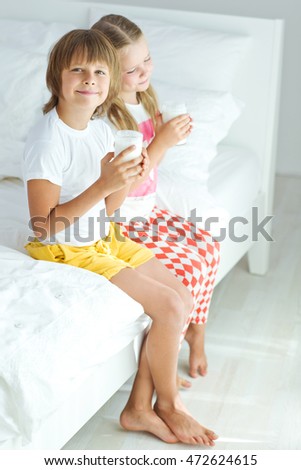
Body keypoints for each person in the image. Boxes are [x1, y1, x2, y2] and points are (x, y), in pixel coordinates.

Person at [23, 29, 218, 446]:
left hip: (101, 234)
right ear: (56, 76)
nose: (89, 78)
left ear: (109, 82)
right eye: (77, 69)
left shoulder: (97, 129)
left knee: (181, 294)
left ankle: (137, 408)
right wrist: (102, 184)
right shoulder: (47, 139)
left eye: (98, 71)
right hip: (64, 247)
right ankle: (166, 407)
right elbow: (42, 226)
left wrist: (127, 175)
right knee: (167, 306)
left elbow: (110, 209)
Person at [91, 15, 221, 382]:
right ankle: (170, 349)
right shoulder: (109, 119)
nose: (144, 72)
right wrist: (161, 142)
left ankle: (197, 328)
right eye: (132, 69)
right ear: (109, 74)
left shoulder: (143, 98)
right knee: (177, 272)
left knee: (207, 246)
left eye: (147, 59)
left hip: (147, 208)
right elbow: (122, 188)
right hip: (123, 219)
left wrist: (166, 131)